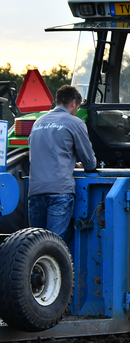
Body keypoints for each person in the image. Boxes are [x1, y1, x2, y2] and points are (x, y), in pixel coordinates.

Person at [28, 85, 97, 239]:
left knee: (35, 246)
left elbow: (42, 154)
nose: (76, 111)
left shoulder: (38, 122)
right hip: (59, 192)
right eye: (77, 108)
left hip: (35, 192)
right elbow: (90, 163)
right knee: (53, 244)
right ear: (73, 103)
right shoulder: (75, 122)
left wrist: (70, 162)